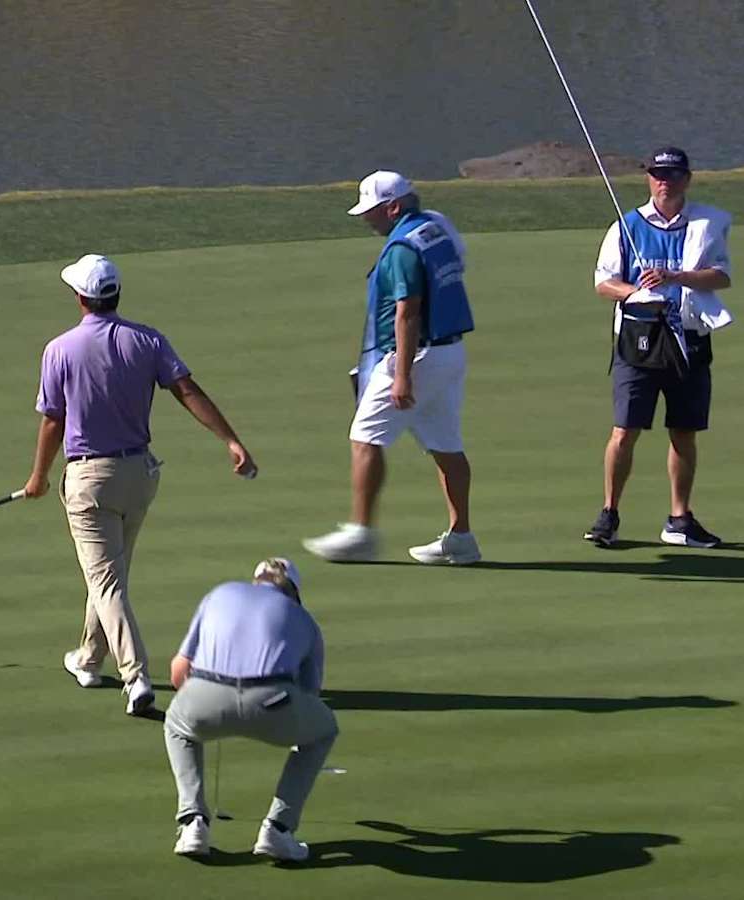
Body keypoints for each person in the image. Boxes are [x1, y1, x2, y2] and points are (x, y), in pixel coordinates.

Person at [24, 253, 257, 716]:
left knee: (106, 580)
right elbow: (187, 390)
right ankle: (90, 658)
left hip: (90, 480)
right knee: (111, 574)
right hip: (139, 476)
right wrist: (231, 439)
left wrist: (38, 477)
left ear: (80, 298)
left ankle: (136, 678)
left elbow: (53, 421)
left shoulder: (60, 349)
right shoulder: (147, 340)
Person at [303, 170, 481, 565]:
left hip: (415, 357)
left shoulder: (401, 248)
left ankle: (361, 532)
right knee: (446, 445)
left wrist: (401, 375)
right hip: (450, 353)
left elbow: (407, 313)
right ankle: (461, 537)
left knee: (364, 437)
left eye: (373, 211)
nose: (368, 219)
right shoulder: (436, 227)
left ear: (394, 207)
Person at [585, 147, 734, 548]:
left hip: (688, 338)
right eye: (656, 174)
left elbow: (721, 277)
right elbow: (604, 282)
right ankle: (609, 514)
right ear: (648, 178)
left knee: (684, 431)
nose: (663, 180)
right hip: (639, 340)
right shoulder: (627, 225)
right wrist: (636, 293)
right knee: (625, 429)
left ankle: (679, 519)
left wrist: (675, 276)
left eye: (671, 174)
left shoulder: (707, 223)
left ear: (687, 178)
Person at [163, 557, 337, 861]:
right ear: (294, 592)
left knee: (177, 725)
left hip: (206, 696)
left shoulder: (219, 594)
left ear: (255, 580)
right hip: (273, 702)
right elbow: (310, 693)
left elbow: (178, 673)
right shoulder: (304, 619)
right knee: (323, 730)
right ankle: (278, 828)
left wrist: (214, 701)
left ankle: (193, 824)